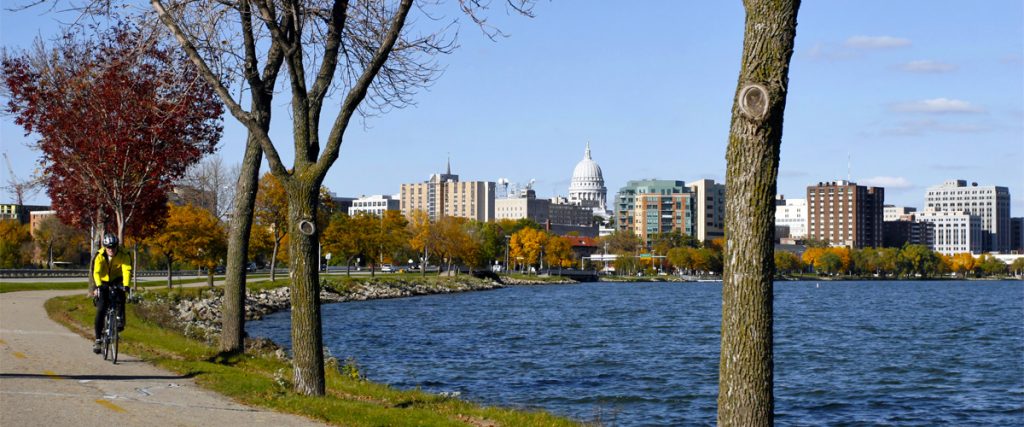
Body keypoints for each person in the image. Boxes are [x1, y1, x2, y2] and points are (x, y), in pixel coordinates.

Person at [90, 232, 132, 354]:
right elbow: (96, 272)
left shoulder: (124, 254)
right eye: (108, 247)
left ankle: (119, 318)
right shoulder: (99, 255)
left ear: (117, 247)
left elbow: (127, 270)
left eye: (113, 247)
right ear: (105, 247)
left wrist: (126, 285)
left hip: (117, 279)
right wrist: (98, 286)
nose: (111, 250)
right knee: (101, 309)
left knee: (120, 297)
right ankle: (98, 340)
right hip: (102, 281)